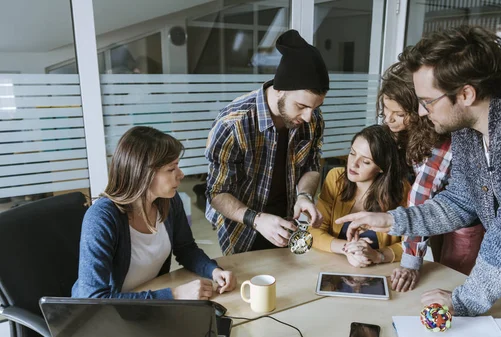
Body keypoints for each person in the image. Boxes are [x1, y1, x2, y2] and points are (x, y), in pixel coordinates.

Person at [337, 25, 501, 331]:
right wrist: (391, 220)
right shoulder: (467, 127)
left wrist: (464, 300)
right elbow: (459, 201)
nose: (421, 112)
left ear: (465, 93)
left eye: (427, 101)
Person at [72, 126, 236, 299]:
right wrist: (174, 295)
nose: (180, 175)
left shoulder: (169, 201)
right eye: (171, 169)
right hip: (108, 316)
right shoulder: (101, 218)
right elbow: (93, 299)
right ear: (144, 174)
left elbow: (185, 249)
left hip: (147, 307)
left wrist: (213, 271)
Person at [205, 29, 329, 255]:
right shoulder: (233, 123)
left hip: (288, 223)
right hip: (242, 227)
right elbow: (217, 193)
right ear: (279, 89)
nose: (310, 117)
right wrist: (258, 220)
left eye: (316, 107)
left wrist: (304, 196)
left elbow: (311, 166)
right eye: (301, 106)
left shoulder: (312, 120)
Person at [378, 54, 484, 293]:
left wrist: (410, 262)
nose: (389, 119)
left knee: (450, 279)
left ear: (420, 109)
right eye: (386, 109)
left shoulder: (443, 138)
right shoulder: (412, 129)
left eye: (399, 114)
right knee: (433, 268)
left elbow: (421, 196)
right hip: (434, 212)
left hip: (465, 221)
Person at [309, 125, 409, 268]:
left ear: (381, 167)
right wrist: (349, 248)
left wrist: (378, 255)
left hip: (382, 272)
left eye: (366, 161)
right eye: (352, 153)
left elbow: (411, 243)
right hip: (334, 267)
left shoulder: (401, 189)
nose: (353, 164)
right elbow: (314, 232)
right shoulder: (336, 178)